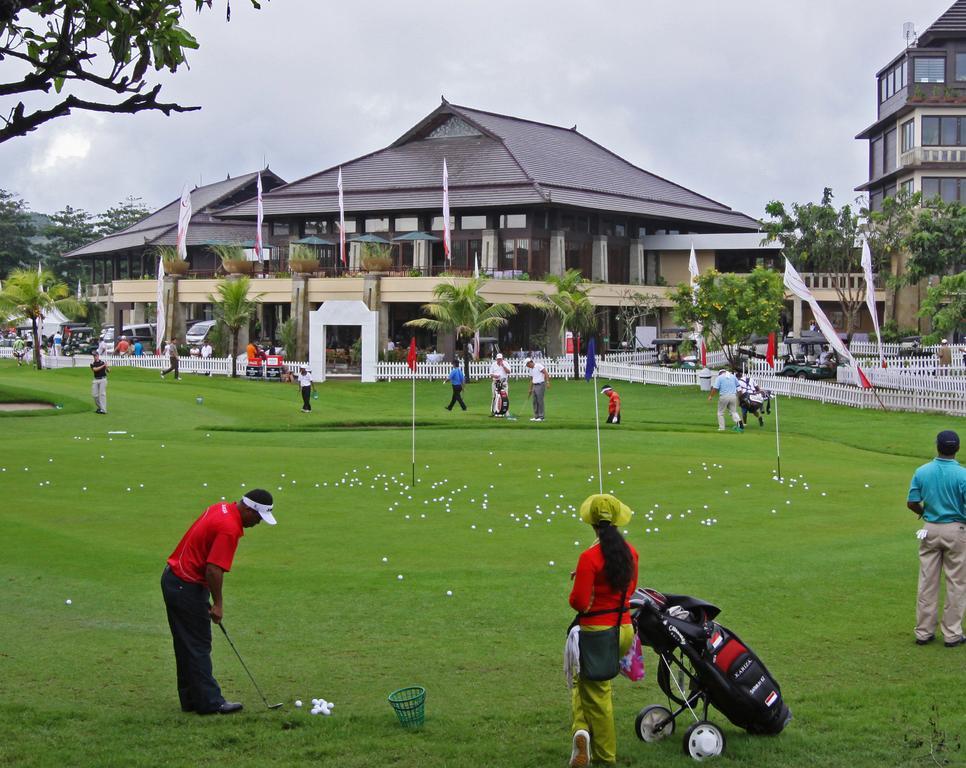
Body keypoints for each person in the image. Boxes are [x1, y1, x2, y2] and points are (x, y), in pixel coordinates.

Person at [161, 489, 277, 715]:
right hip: (186, 584)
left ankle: (191, 700)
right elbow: (213, 569)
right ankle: (210, 703)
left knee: (186, 644)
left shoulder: (221, 507)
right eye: (258, 518)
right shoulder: (230, 529)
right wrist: (218, 604)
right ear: (249, 509)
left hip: (175, 580)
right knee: (198, 645)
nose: (257, 524)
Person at [567, 494, 639, 767]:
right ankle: (582, 731)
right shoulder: (630, 552)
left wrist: (583, 581)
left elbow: (579, 602)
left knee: (597, 693)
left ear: (592, 523)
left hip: (597, 633)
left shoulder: (589, 557)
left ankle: (605, 757)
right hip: (624, 629)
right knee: (584, 681)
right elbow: (629, 589)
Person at [907, 430, 966, 648]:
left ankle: (923, 632)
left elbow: (912, 501)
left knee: (927, 582)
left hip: (930, 529)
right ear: (957, 448)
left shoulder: (922, 471)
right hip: (956, 529)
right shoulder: (963, 475)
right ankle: (952, 634)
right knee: (957, 583)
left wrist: (924, 513)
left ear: (937, 446)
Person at [708, 367, 742, 432]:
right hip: (733, 396)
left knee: (720, 413)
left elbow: (715, 388)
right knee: (733, 412)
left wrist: (711, 396)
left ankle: (722, 428)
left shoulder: (719, 377)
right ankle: (739, 424)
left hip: (724, 396)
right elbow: (738, 387)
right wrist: (739, 396)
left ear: (720, 373)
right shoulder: (732, 376)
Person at [526, 357, 550, 422]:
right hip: (534, 385)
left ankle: (541, 417)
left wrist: (547, 382)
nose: (527, 366)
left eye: (527, 365)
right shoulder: (531, 369)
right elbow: (531, 380)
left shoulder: (538, 366)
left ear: (530, 362)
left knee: (540, 401)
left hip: (540, 384)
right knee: (534, 401)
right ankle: (536, 416)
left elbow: (546, 373)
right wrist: (530, 389)